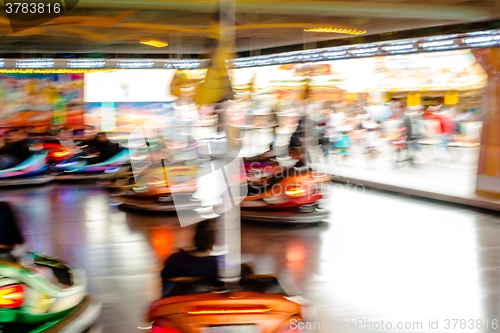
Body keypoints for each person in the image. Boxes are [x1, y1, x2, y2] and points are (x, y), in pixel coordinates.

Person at [161, 219, 252, 297]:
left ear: (195, 237)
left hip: (175, 305)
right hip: (209, 307)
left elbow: (165, 279)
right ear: (213, 242)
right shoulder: (220, 265)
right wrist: (246, 267)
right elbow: (242, 275)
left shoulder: (175, 260)